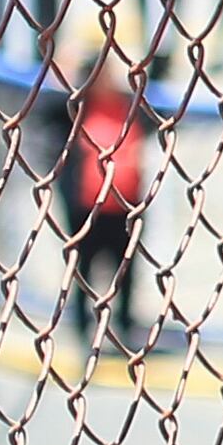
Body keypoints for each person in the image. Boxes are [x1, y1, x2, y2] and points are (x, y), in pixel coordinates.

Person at [55, 48, 155, 352]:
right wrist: (65, 70)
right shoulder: (75, 109)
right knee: (83, 270)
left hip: (126, 205)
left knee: (125, 272)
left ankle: (124, 329)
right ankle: (83, 331)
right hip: (87, 207)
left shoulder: (131, 105)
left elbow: (165, 111)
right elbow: (42, 113)